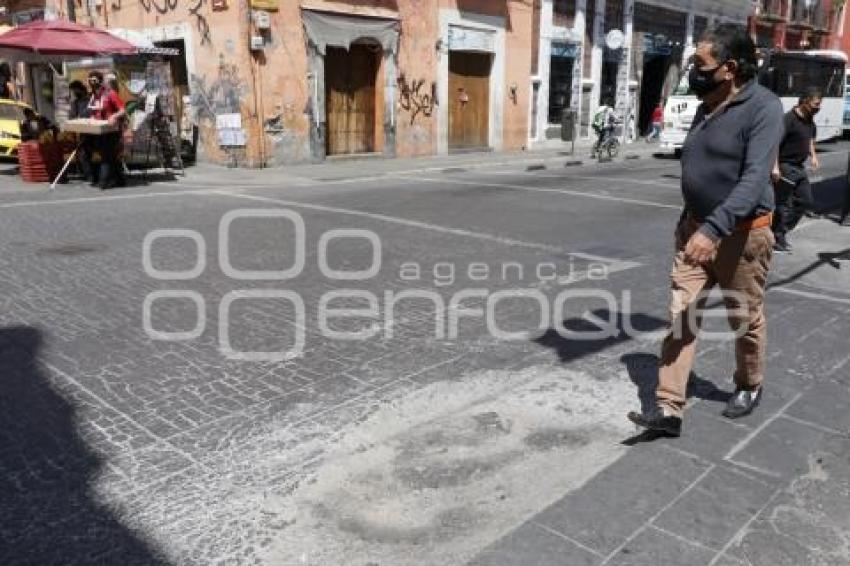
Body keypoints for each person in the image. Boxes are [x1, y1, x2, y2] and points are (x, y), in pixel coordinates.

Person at [627, 25, 783, 437]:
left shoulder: (764, 108)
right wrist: (690, 219)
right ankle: (668, 408)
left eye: (700, 63)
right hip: (695, 232)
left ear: (729, 68)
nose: (694, 70)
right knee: (681, 318)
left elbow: (752, 182)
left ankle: (750, 384)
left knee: (744, 319)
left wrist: (712, 229)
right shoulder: (706, 104)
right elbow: (701, 168)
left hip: (741, 237)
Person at [770, 88, 821, 252]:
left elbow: (811, 138)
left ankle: (780, 232)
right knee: (783, 204)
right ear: (805, 101)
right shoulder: (788, 120)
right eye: (815, 105)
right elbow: (775, 143)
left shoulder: (809, 120)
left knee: (805, 201)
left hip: (799, 167)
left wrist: (813, 155)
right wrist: (775, 167)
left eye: (819, 106)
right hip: (785, 166)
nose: (817, 109)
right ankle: (776, 237)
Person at [87, 70, 126, 189]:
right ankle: (119, 179)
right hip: (99, 130)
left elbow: (123, 110)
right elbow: (94, 111)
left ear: (100, 80)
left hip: (112, 130)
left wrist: (114, 116)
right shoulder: (94, 96)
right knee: (110, 155)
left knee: (106, 155)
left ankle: (104, 182)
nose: (92, 83)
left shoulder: (110, 93)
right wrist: (92, 118)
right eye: (90, 80)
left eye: (94, 80)